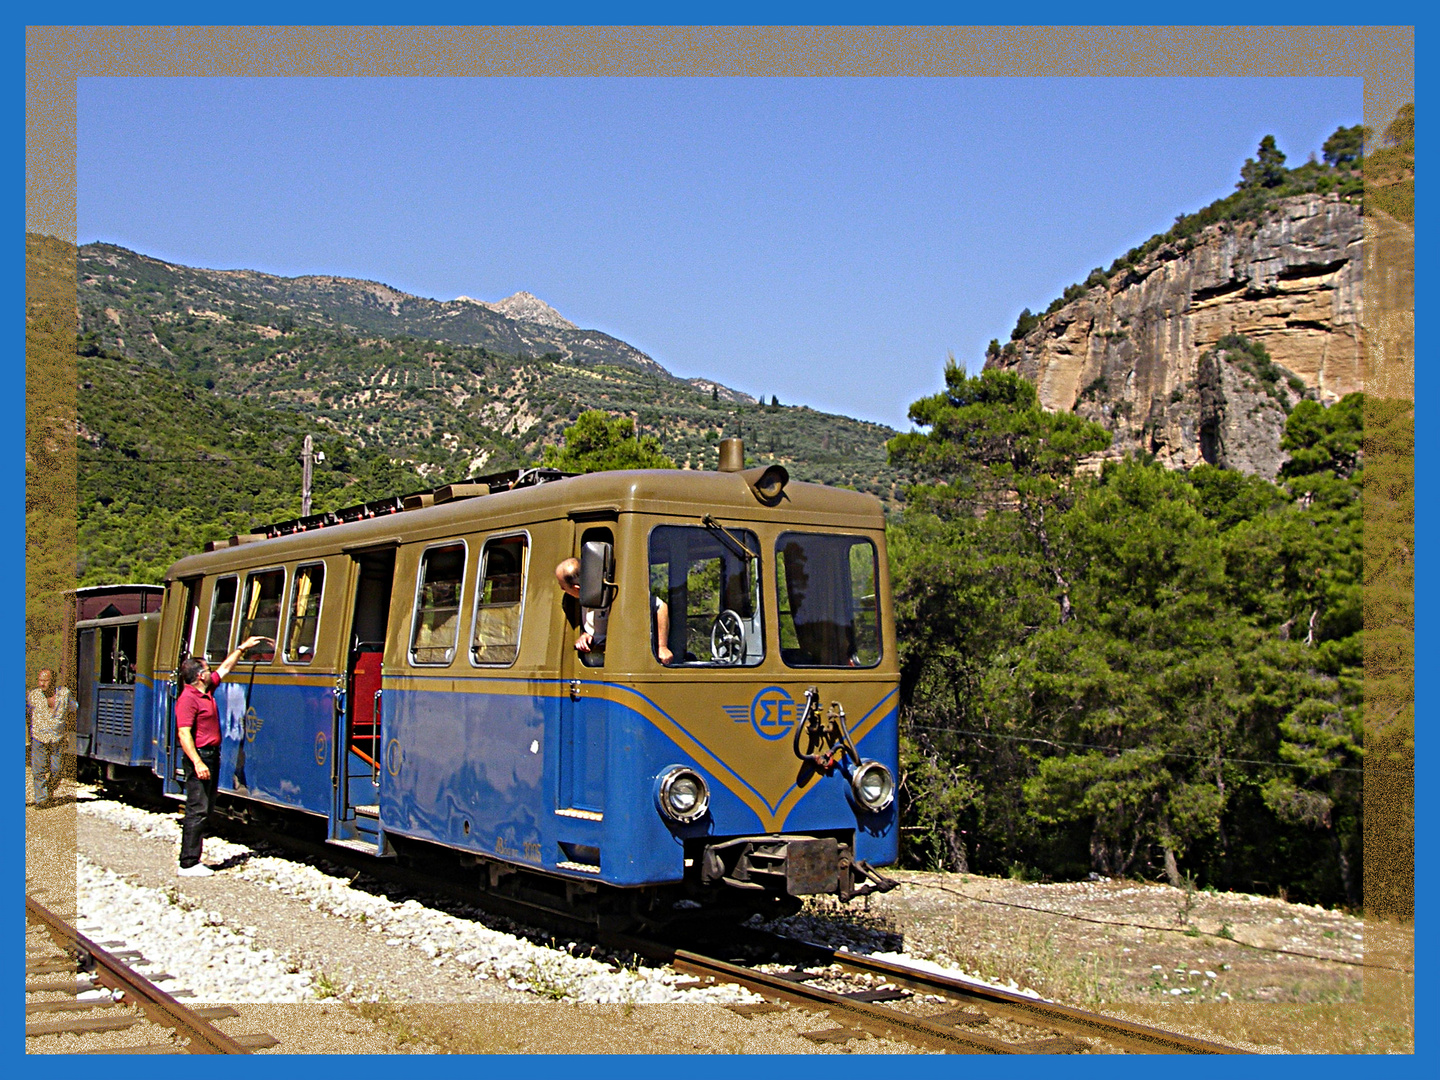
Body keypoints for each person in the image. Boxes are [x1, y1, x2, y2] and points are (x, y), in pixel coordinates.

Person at [174, 635, 269, 876]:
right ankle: (188, 862)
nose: (211, 671)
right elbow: (184, 734)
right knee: (197, 808)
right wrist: (197, 762)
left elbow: (226, 668)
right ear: (199, 676)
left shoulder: (206, 690)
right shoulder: (188, 699)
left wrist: (241, 648)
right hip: (201, 757)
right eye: (207, 669)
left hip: (210, 755)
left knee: (205, 807)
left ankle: (193, 859)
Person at [554, 557, 672, 665]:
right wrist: (587, 634)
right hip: (594, 660)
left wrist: (662, 647)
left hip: (622, 660)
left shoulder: (614, 592)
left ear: (576, 588)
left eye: (563, 587)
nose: (562, 590)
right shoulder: (581, 598)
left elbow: (661, 607)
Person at [27, 669, 73, 807]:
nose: (42, 683)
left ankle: (48, 791)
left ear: (53, 681)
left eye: (45, 680)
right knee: (38, 771)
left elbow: (73, 710)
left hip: (57, 737)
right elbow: (27, 713)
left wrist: (68, 732)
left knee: (57, 770)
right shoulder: (33, 696)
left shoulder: (65, 694)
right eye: (40, 680)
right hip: (39, 737)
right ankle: (41, 799)